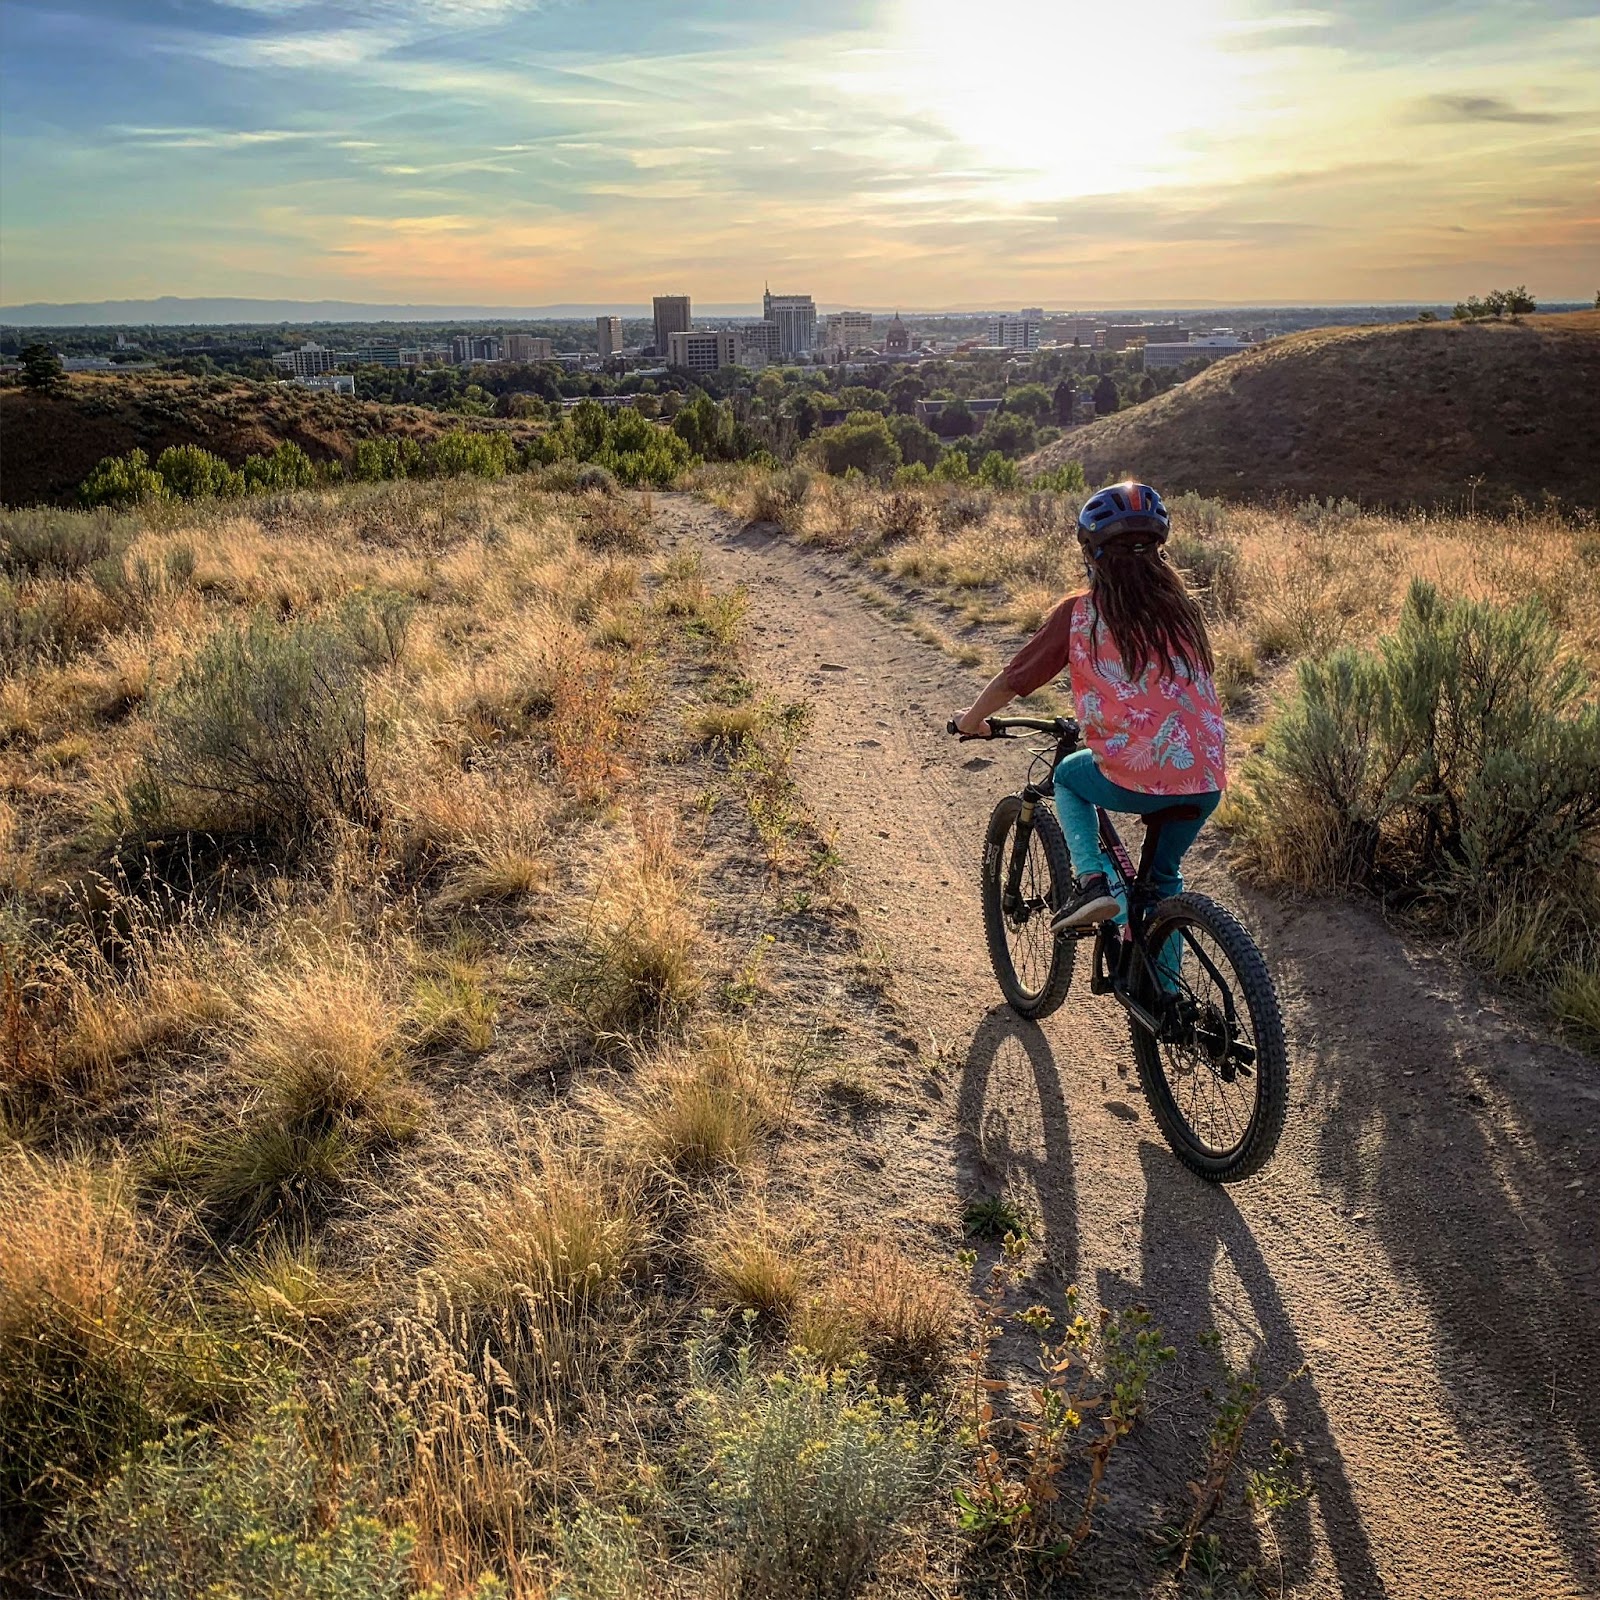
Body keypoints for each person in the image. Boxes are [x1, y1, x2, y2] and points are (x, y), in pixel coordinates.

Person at [952, 481, 1227, 935]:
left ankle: (1092, 883)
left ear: (1091, 554)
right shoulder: (1183, 609)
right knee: (1162, 886)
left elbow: (1014, 680)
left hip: (1137, 773)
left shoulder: (1081, 613)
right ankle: (1166, 1000)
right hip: (1206, 776)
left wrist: (972, 719)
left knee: (1067, 777)